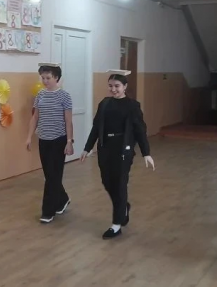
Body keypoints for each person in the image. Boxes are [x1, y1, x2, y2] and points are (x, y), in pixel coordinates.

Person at [80, 70, 155, 240]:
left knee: (120, 184)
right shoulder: (104, 104)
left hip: (122, 150)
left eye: (117, 86)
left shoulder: (132, 106)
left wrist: (146, 153)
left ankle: (116, 224)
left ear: (125, 86)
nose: (113, 89)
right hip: (105, 148)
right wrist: (87, 148)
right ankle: (123, 207)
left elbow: (140, 130)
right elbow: (96, 128)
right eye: (110, 86)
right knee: (107, 182)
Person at [26, 63, 74, 224]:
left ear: (56, 78)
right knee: (50, 175)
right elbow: (35, 117)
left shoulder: (64, 96)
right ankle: (63, 199)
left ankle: (47, 211)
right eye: (43, 78)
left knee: (52, 177)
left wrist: (69, 141)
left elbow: (68, 121)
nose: (45, 81)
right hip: (44, 140)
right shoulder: (40, 95)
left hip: (59, 140)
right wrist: (29, 137)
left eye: (48, 78)